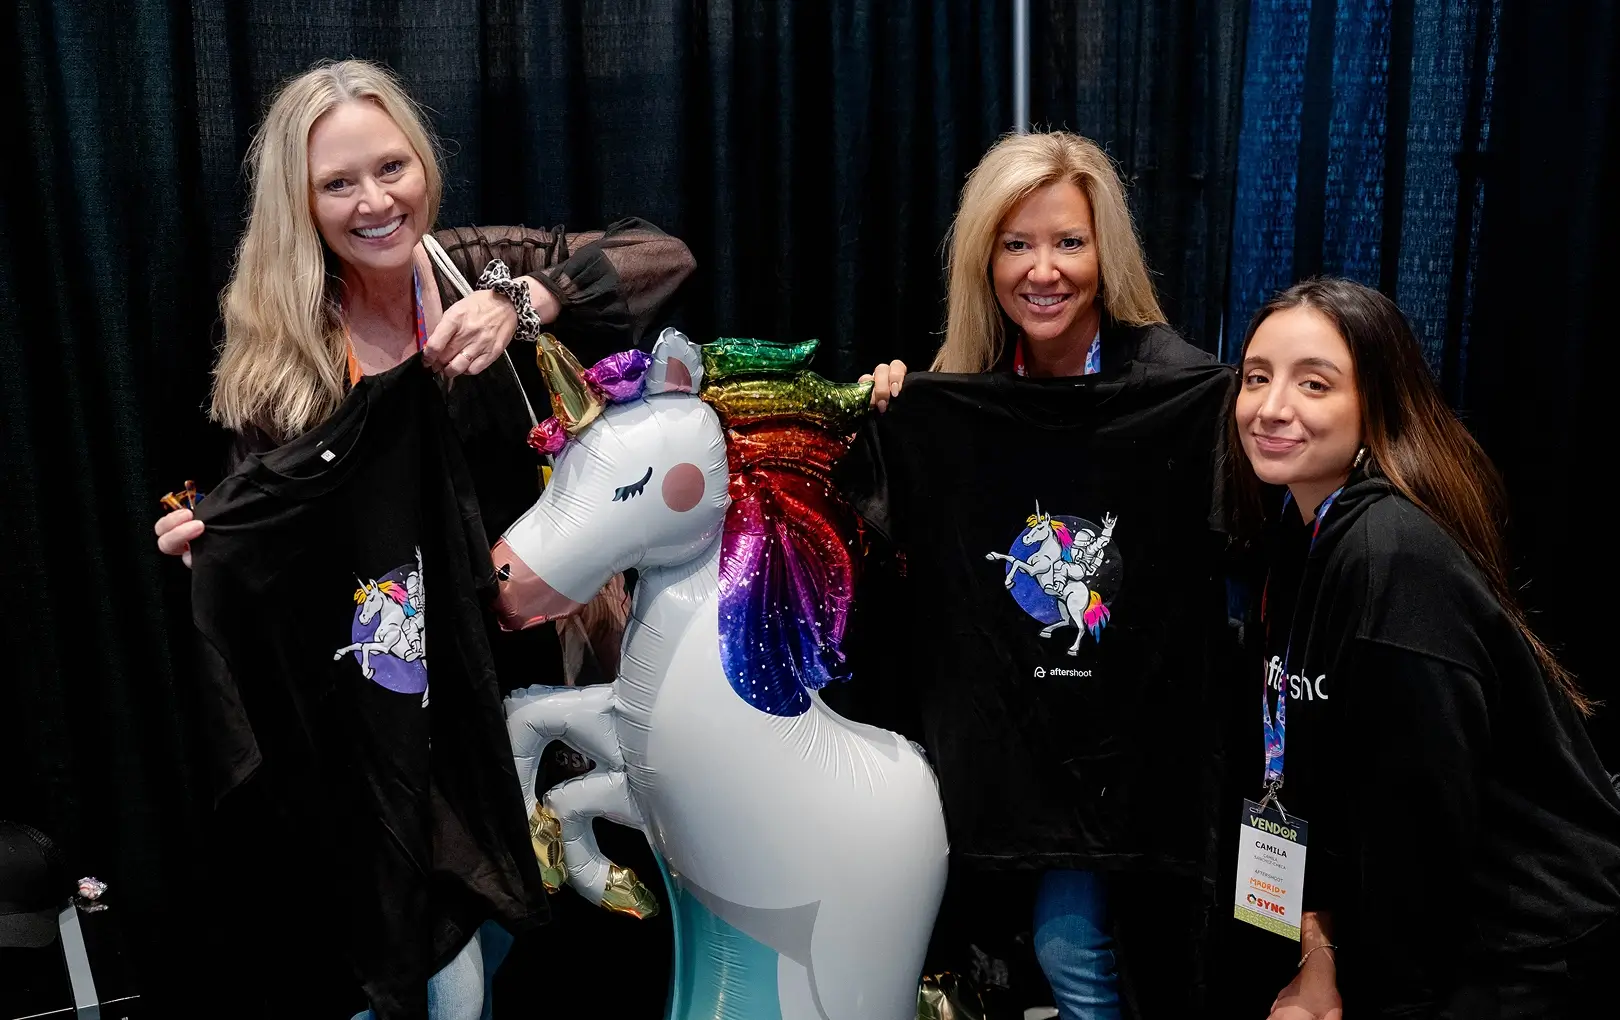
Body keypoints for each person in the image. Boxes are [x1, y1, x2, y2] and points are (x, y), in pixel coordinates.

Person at [151, 59, 693, 1019]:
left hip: (533, 663)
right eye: (338, 183)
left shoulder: (478, 264)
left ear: (424, 165)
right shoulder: (282, 347)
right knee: (432, 949)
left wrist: (528, 302)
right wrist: (217, 539)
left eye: (391, 167)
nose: (374, 201)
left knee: (510, 935)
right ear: (299, 201)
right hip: (407, 699)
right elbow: (278, 529)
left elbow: (664, 256)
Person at [849, 131, 1221, 1019]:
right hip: (999, 755)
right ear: (985, 256)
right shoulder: (959, 390)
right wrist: (897, 417)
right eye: (1017, 244)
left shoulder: (1173, 389)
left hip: (1121, 766)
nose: (1042, 270)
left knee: (1082, 958)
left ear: (1106, 253)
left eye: (1068, 242)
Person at [1229, 277, 1620, 1017]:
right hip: (1426, 945)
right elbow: (1322, 795)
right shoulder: (1300, 532)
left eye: (1314, 384)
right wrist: (1317, 958)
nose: (1271, 407)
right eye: (1256, 378)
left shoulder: (1390, 556)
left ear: (1375, 404)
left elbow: (1420, 846)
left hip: (1520, 956)